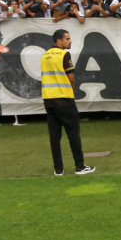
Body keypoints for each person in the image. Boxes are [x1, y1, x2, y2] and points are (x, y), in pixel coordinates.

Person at [41, 30, 95, 176]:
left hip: (48, 99)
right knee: (73, 134)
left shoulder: (45, 55)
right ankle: (80, 166)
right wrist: (70, 92)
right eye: (67, 39)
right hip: (64, 99)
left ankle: (58, 169)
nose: (70, 41)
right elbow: (71, 77)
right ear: (59, 41)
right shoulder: (64, 54)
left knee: (54, 136)